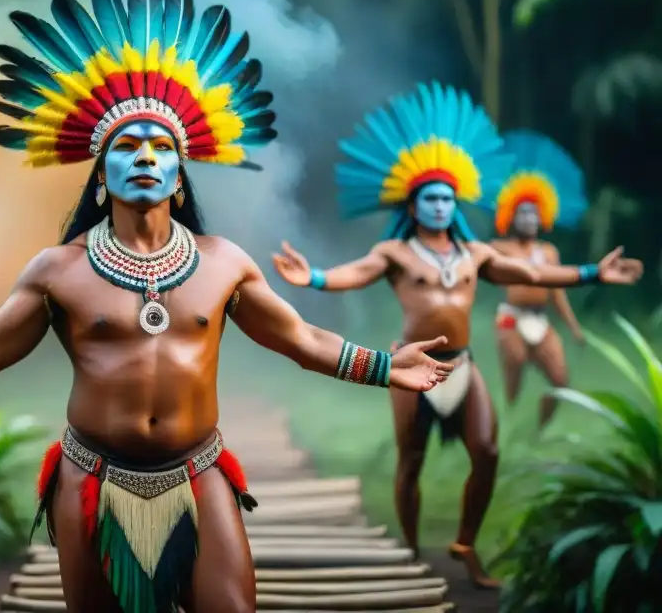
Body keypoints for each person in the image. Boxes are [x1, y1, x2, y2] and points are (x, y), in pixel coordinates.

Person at [0, 0, 454, 613]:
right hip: (91, 478)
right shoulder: (58, 270)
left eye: (159, 147)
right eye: (126, 146)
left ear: (178, 178)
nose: (144, 155)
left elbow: (300, 337)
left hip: (198, 475)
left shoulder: (223, 263)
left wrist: (385, 368)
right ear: (99, 178)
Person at [271, 82, 643, 589]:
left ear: (456, 203)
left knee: (487, 452)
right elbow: (351, 274)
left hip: (462, 365)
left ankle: (465, 544)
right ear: (414, 205)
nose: (441, 205)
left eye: (448, 197)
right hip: (408, 365)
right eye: (431, 198)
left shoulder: (477, 255)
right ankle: (408, 550)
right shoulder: (395, 255)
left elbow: (531, 276)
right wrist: (311, 277)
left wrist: (592, 273)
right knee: (412, 461)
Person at [486, 130, 590, 429]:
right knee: (514, 371)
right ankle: (506, 425)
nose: (528, 220)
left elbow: (557, 292)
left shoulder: (549, 251)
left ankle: (538, 431)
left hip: (540, 321)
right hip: (510, 319)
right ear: (511, 217)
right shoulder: (500, 248)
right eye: (522, 214)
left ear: (542, 216)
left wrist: (573, 328)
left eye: (533, 214)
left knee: (561, 380)